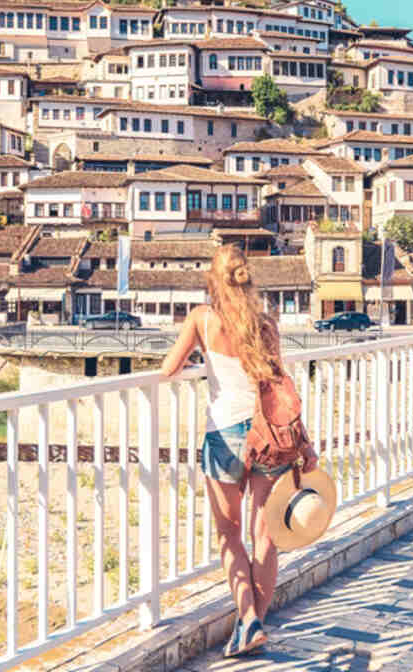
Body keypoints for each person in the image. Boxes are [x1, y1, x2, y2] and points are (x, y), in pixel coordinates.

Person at [161, 245, 317, 657]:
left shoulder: (202, 319)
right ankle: (253, 628)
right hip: (270, 436)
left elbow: (168, 368)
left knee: (230, 534)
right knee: (265, 537)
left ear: (213, 281)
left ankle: (247, 619)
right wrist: (308, 443)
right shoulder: (267, 325)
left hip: (225, 435)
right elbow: (282, 388)